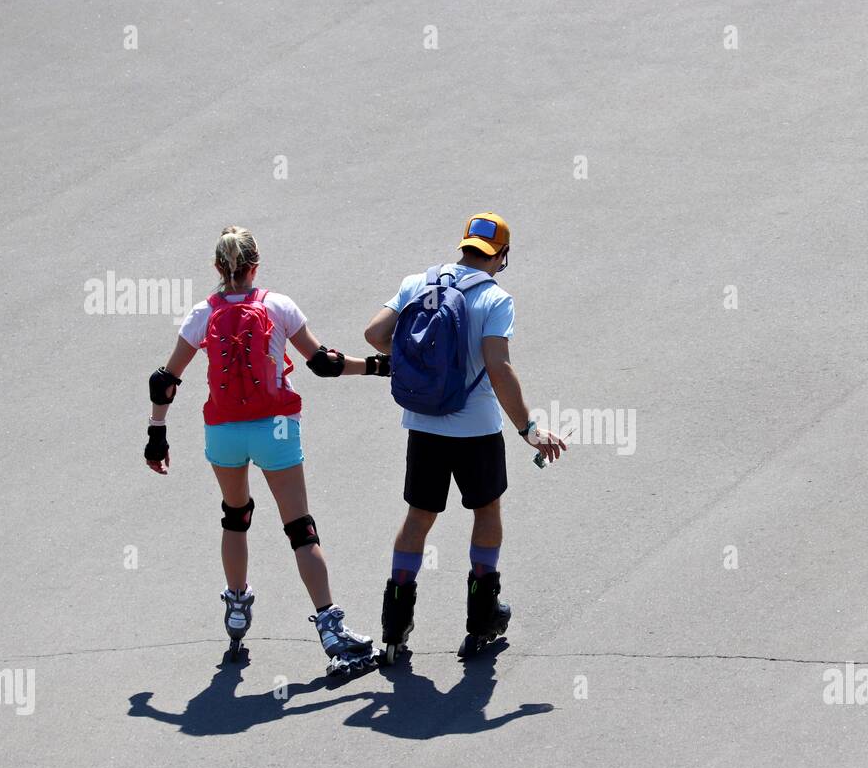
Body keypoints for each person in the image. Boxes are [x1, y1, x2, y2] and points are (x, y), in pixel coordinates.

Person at [145, 226, 379, 675]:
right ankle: (331, 628)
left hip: (224, 432)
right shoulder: (278, 304)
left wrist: (157, 432)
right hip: (275, 428)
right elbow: (323, 364)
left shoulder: (202, 313)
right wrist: (376, 366)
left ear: (217, 268)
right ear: (256, 265)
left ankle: (236, 607)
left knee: (236, 516)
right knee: (300, 528)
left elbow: (164, 379)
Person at [363, 213, 566, 663]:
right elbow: (499, 367)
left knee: (418, 517)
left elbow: (375, 334)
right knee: (486, 510)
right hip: (475, 429)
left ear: (463, 246)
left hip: (424, 424)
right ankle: (482, 619)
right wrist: (529, 429)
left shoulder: (419, 282)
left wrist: (421, 363)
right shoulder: (495, 298)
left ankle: (395, 628)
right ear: (503, 257)